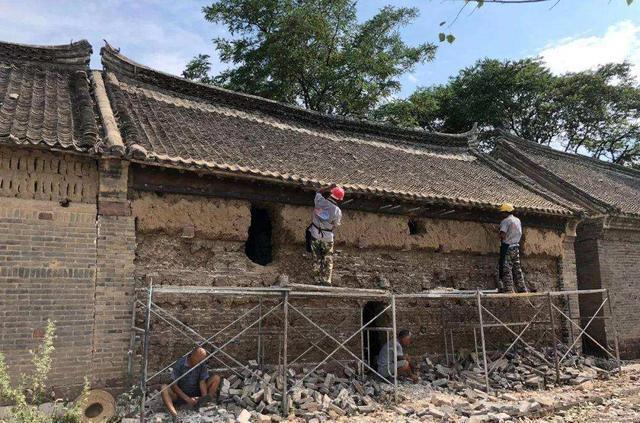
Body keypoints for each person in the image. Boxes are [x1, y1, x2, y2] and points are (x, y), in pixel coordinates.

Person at [161, 347, 221, 422]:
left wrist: (203, 397)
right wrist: (187, 399)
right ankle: (175, 415)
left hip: (196, 392)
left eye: (202, 359)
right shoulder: (180, 363)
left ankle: (203, 403)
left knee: (216, 378)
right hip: (181, 394)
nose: (200, 361)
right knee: (164, 388)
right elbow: (174, 385)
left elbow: (202, 381)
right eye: (199, 359)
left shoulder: (201, 363)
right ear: (192, 356)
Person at [308, 184, 344, 285]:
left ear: (330, 194)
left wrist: (329, 187)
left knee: (316, 258)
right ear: (340, 199)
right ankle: (326, 281)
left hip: (315, 234)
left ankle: (316, 280)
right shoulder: (337, 211)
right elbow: (335, 224)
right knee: (327, 259)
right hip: (327, 237)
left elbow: (318, 191)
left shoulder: (319, 201)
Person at [498, 203, 528, 293]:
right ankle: (522, 288)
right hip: (516, 246)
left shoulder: (505, 221)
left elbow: (503, 235)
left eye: (502, 212)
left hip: (507, 246)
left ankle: (509, 289)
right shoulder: (518, 220)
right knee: (517, 268)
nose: (502, 214)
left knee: (507, 268)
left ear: (505, 212)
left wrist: (498, 234)